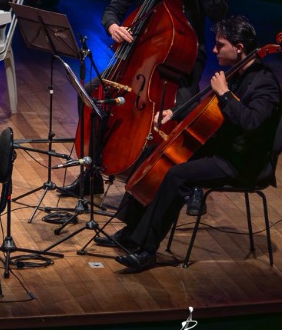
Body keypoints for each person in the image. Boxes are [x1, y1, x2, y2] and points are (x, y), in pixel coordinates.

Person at [65, 0, 232, 198]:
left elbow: (219, 11)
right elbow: (112, 9)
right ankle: (91, 174)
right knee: (90, 94)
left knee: (185, 115)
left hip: (182, 62)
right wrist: (113, 26)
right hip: (140, 58)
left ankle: (191, 188)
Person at [97, 16, 280, 270]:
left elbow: (251, 123)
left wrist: (225, 94)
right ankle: (130, 232)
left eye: (220, 45)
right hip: (221, 149)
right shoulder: (238, 71)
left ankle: (147, 250)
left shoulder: (265, 84)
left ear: (239, 48)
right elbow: (206, 105)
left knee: (177, 175)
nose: (214, 50)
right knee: (153, 154)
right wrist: (175, 113)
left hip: (242, 162)